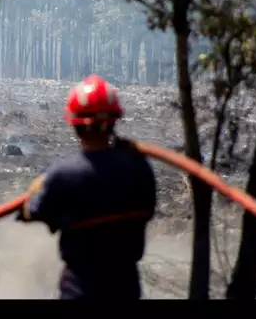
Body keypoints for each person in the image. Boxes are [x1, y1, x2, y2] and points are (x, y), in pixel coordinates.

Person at [17, 75, 157, 299]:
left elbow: (34, 211)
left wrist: (32, 197)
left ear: (74, 123)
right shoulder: (140, 168)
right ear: (114, 121)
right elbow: (148, 210)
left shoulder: (63, 174)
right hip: (126, 287)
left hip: (81, 288)